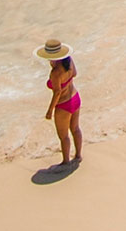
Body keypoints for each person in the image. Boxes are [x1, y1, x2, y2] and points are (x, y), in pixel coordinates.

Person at [37, 39, 83, 168]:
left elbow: (57, 93)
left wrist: (49, 111)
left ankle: (66, 161)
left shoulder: (55, 73)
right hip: (75, 97)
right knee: (75, 128)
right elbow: (74, 74)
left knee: (63, 136)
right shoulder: (69, 61)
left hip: (64, 105)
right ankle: (78, 155)